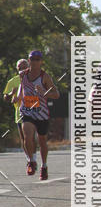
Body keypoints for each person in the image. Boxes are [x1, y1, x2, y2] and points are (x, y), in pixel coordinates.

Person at [17, 50, 59, 179]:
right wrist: (19, 97)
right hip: (27, 111)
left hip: (41, 113)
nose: (35, 62)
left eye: (37, 59)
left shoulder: (45, 76)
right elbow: (22, 88)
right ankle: (31, 161)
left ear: (41, 62)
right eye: (32, 59)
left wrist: (44, 92)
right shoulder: (23, 74)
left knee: (42, 141)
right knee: (27, 135)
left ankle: (44, 166)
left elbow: (56, 94)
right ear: (29, 60)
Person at [4, 58, 32, 164]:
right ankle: (30, 160)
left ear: (29, 67)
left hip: (34, 111)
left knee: (31, 138)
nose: (22, 69)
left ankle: (33, 157)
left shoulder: (35, 79)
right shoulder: (12, 81)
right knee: (24, 138)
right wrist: (11, 94)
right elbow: (5, 97)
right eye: (20, 68)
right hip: (20, 113)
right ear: (17, 69)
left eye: (25, 67)